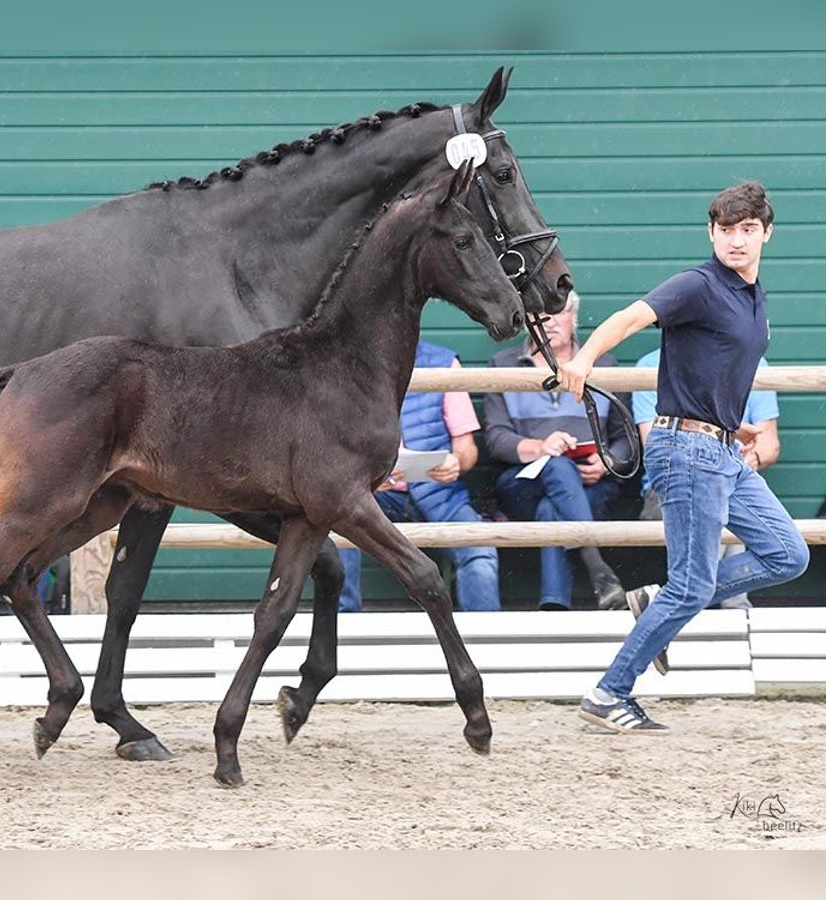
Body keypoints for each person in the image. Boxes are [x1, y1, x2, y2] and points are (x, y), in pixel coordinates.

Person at [559, 181, 809, 733]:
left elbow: (715, 364)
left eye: (747, 230)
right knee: (693, 585)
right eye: (725, 230)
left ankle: (655, 599)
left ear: (766, 232)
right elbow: (630, 317)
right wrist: (583, 359)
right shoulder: (698, 285)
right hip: (687, 451)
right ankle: (609, 692)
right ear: (711, 233)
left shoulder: (752, 295)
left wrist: (732, 422)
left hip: (724, 448)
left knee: (788, 554)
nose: (736, 241)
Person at [483, 290, 633, 611]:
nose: (548, 321)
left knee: (553, 509)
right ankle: (600, 572)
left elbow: (626, 440)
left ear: (573, 319)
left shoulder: (603, 366)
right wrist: (540, 447)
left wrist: (608, 461)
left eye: (557, 312)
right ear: (526, 322)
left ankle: (554, 607)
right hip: (522, 485)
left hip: (592, 485)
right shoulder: (502, 365)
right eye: (539, 315)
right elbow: (496, 439)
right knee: (555, 466)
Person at [338, 340, 499, 612]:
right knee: (337, 532)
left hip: (440, 495)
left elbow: (467, 447)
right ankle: (341, 626)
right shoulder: (344, 368)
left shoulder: (444, 363)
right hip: (376, 498)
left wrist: (456, 463)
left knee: (480, 551)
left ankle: (481, 640)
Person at [634, 347, 781, 611]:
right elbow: (654, 444)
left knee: (725, 492)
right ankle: (733, 606)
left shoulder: (753, 360)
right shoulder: (650, 363)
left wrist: (738, 464)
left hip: (736, 476)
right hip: (673, 482)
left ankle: (668, 603)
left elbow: (769, 445)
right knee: (716, 492)